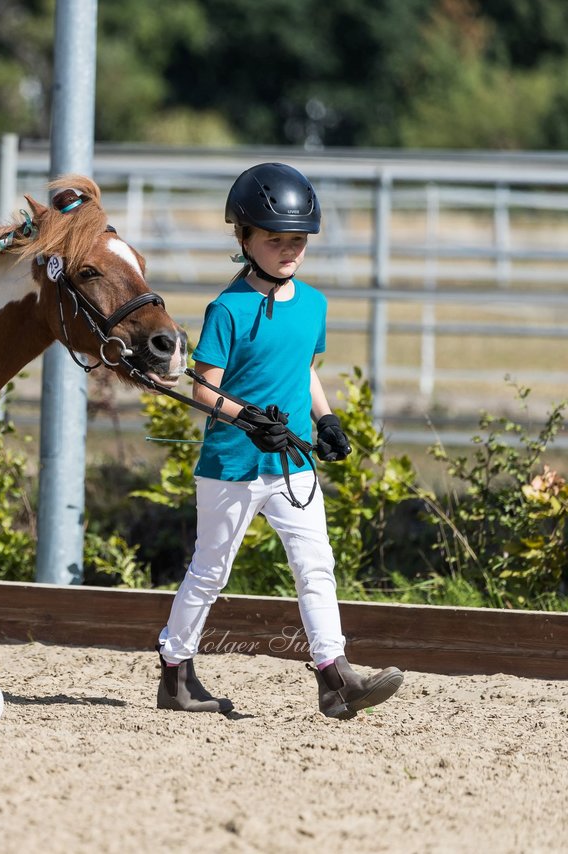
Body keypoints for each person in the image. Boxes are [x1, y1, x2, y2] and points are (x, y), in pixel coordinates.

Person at [155, 162, 404, 719]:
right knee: (211, 571)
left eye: (298, 240)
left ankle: (335, 676)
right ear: (243, 238)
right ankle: (175, 671)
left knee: (316, 564)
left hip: (291, 460)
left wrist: (327, 418)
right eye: (275, 240)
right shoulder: (228, 309)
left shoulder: (313, 304)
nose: (289, 250)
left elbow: (302, 371)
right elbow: (203, 393)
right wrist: (247, 421)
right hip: (233, 464)